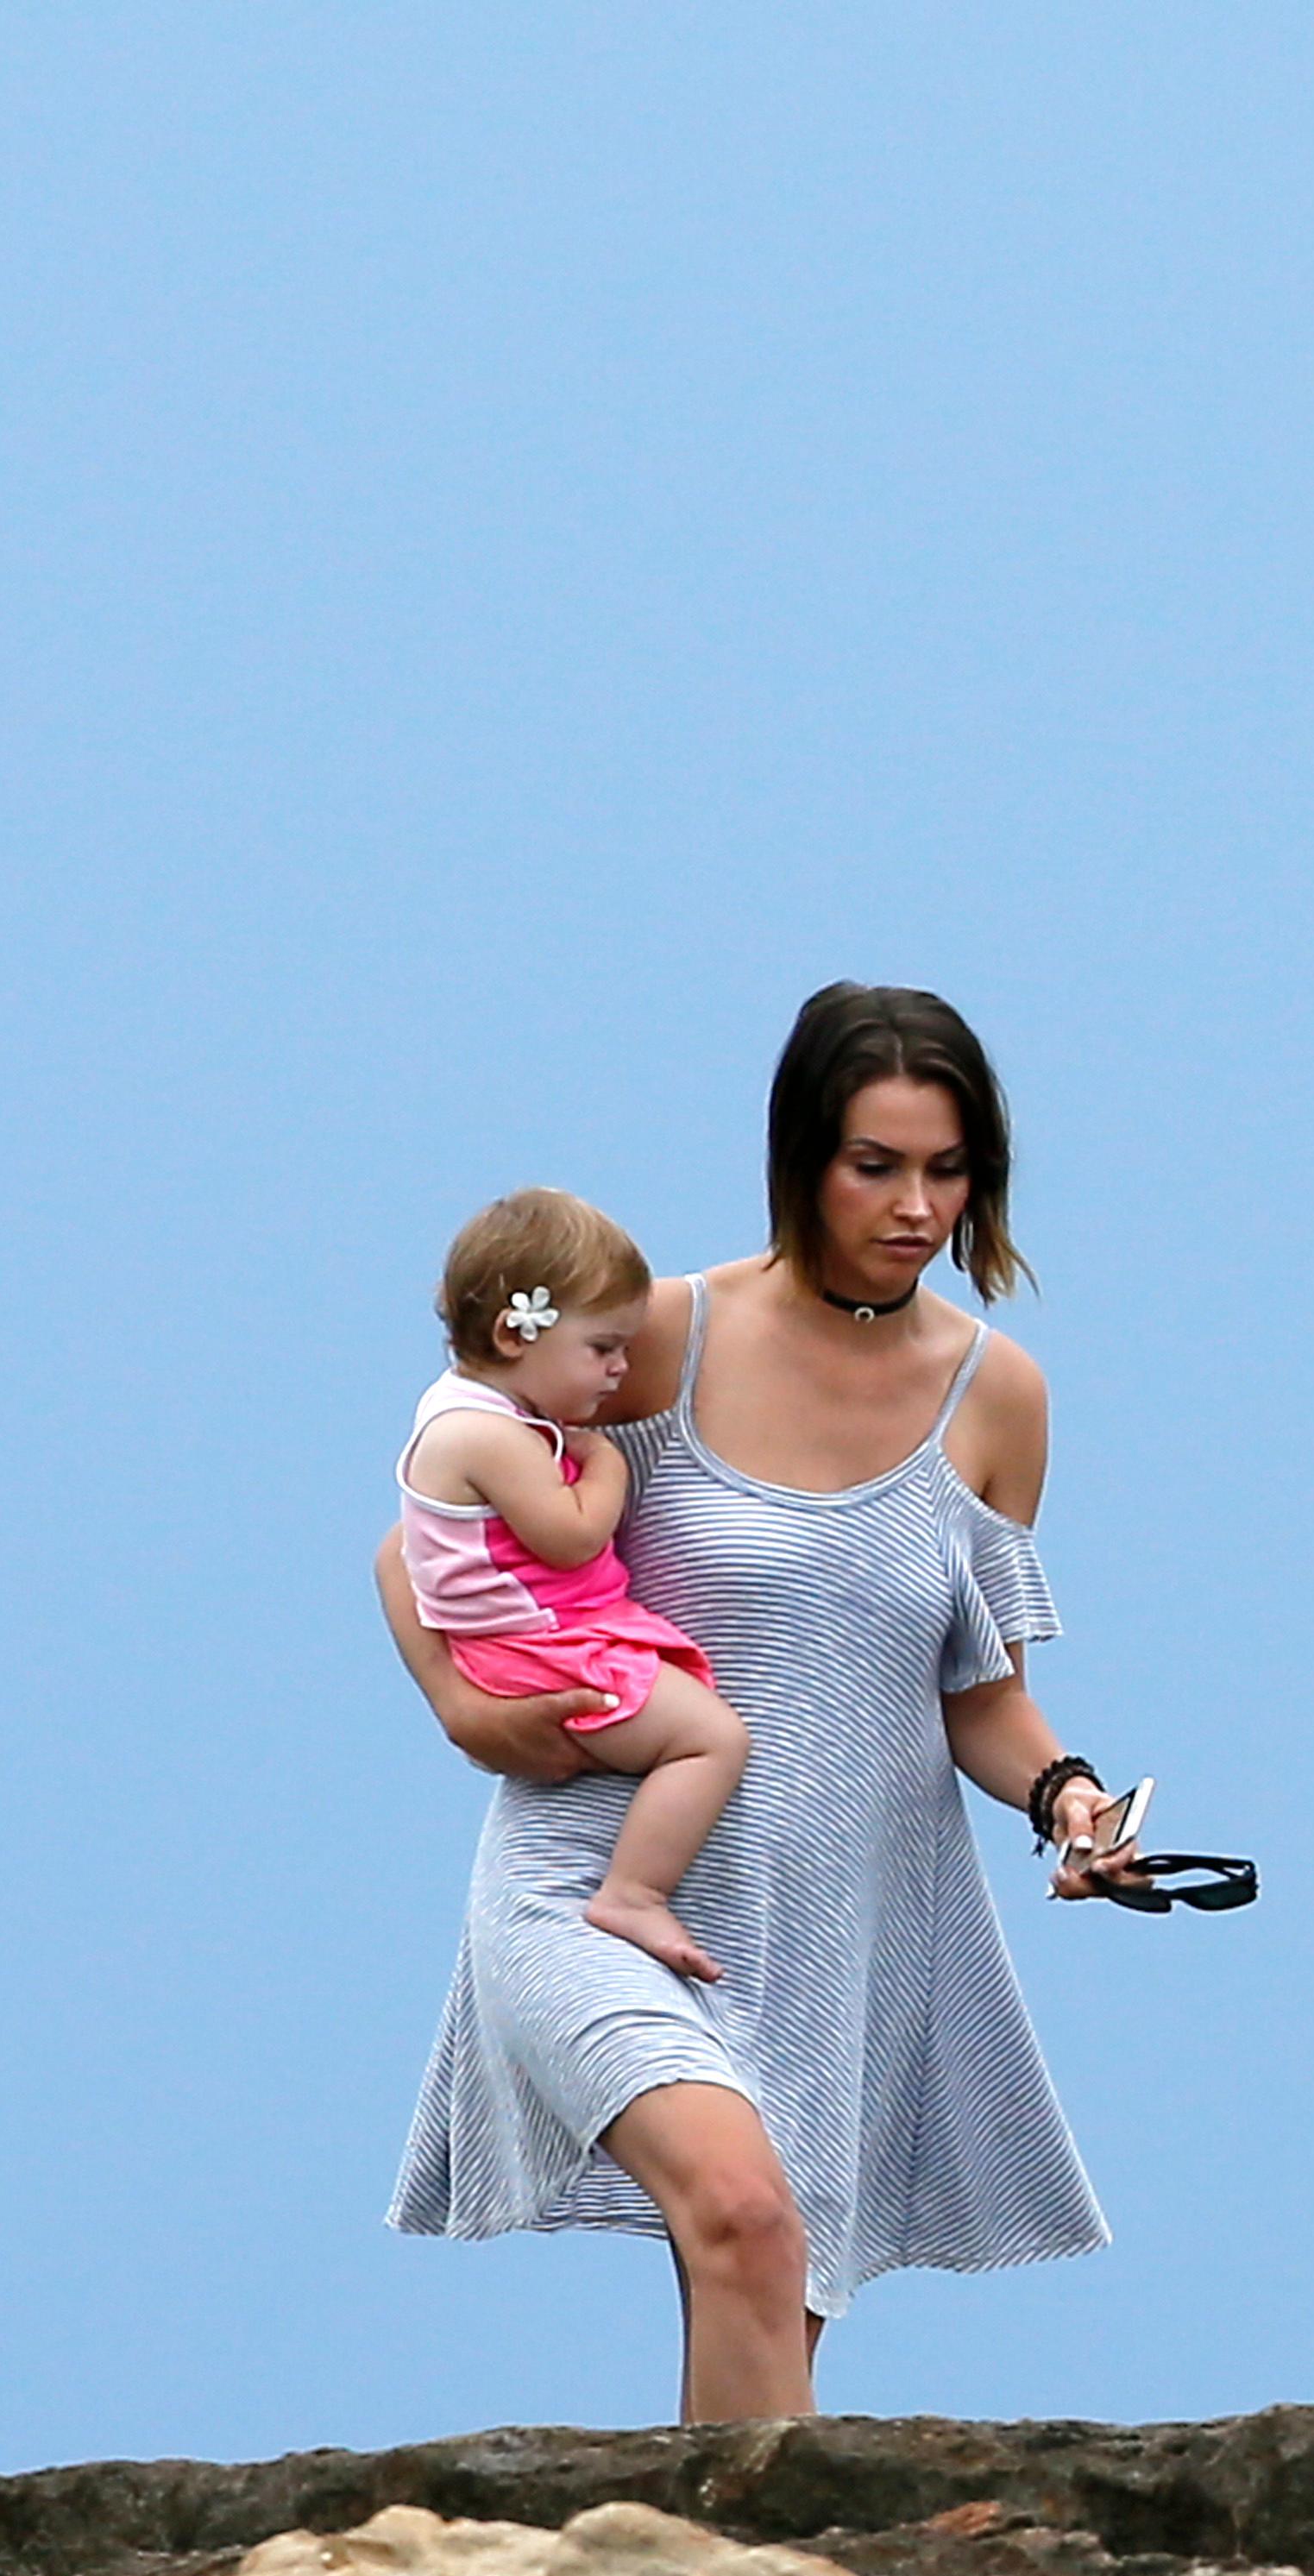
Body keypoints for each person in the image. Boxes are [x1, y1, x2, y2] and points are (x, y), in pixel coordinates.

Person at [375, 983, 1156, 2422]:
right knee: (737, 2210)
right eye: (876, 1164)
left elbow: (978, 1694)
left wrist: (1067, 1799)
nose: (915, 1205)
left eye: (947, 1168)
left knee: (773, 2290)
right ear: (801, 1161)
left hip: (832, 1925)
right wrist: (458, 1704)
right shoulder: (656, 1336)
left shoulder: (997, 1398)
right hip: (595, 1876)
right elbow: (417, 1529)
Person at [396, 1188, 751, 1986]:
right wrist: (606, 1464)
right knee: (711, 1740)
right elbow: (572, 1535)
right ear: (513, 1336)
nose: (621, 1368)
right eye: (602, 1348)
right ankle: (634, 1892)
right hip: (539, 1651)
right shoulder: (486, 1434)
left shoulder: (461, 1412)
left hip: (539, 1640)